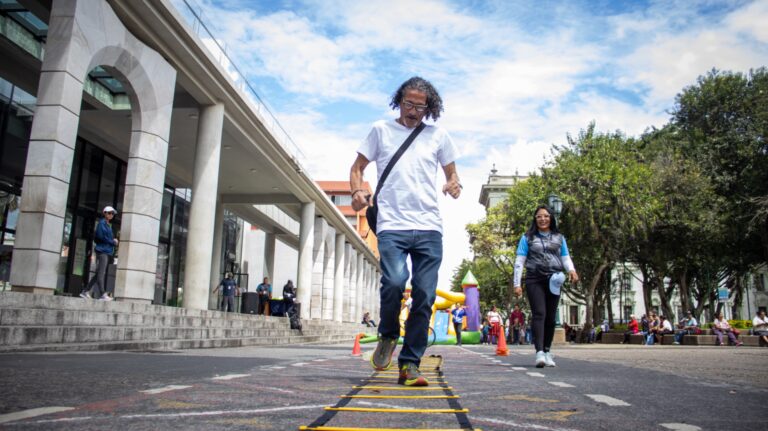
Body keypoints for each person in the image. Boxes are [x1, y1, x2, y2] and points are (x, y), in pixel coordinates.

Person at [350, 76, 460, 387]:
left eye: (420, 107)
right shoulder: (381, 130)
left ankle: (410, 364)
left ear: (430, 108)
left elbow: (452, 173)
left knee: (424, 295)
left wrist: (454, 184)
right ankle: (387, 335)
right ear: (399, 101)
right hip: (392, 224)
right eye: (408, 104)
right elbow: (357, 167)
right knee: (395, 282)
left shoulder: (438, 136)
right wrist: (356, 191)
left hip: (429, 227)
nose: (413, 111)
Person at [513, 205, 579, 368]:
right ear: (535, 219)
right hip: (534, 279)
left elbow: (565, 257)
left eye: (546, 216)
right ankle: (539, 352)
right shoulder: (527, 237)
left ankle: (548, 351)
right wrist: (517, 284)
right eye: (539, 216)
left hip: (554, 279)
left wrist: (571, 270)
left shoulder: (559, 237)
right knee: (539, 314)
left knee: (550, 317)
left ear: (551, 218)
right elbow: (520, 261)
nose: (543, 219)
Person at [80, 206, 118, 301]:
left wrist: (112, 241)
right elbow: (100, 237)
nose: (111, 215)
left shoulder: (107, 225)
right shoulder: (102, 223)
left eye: (112, 213)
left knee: (98, 274)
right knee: (101, 273)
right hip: (102, 251)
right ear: (104, 213)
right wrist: (113, 241)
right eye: (109, 213)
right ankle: (102, 294)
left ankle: (85, 291)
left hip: (106, 251)